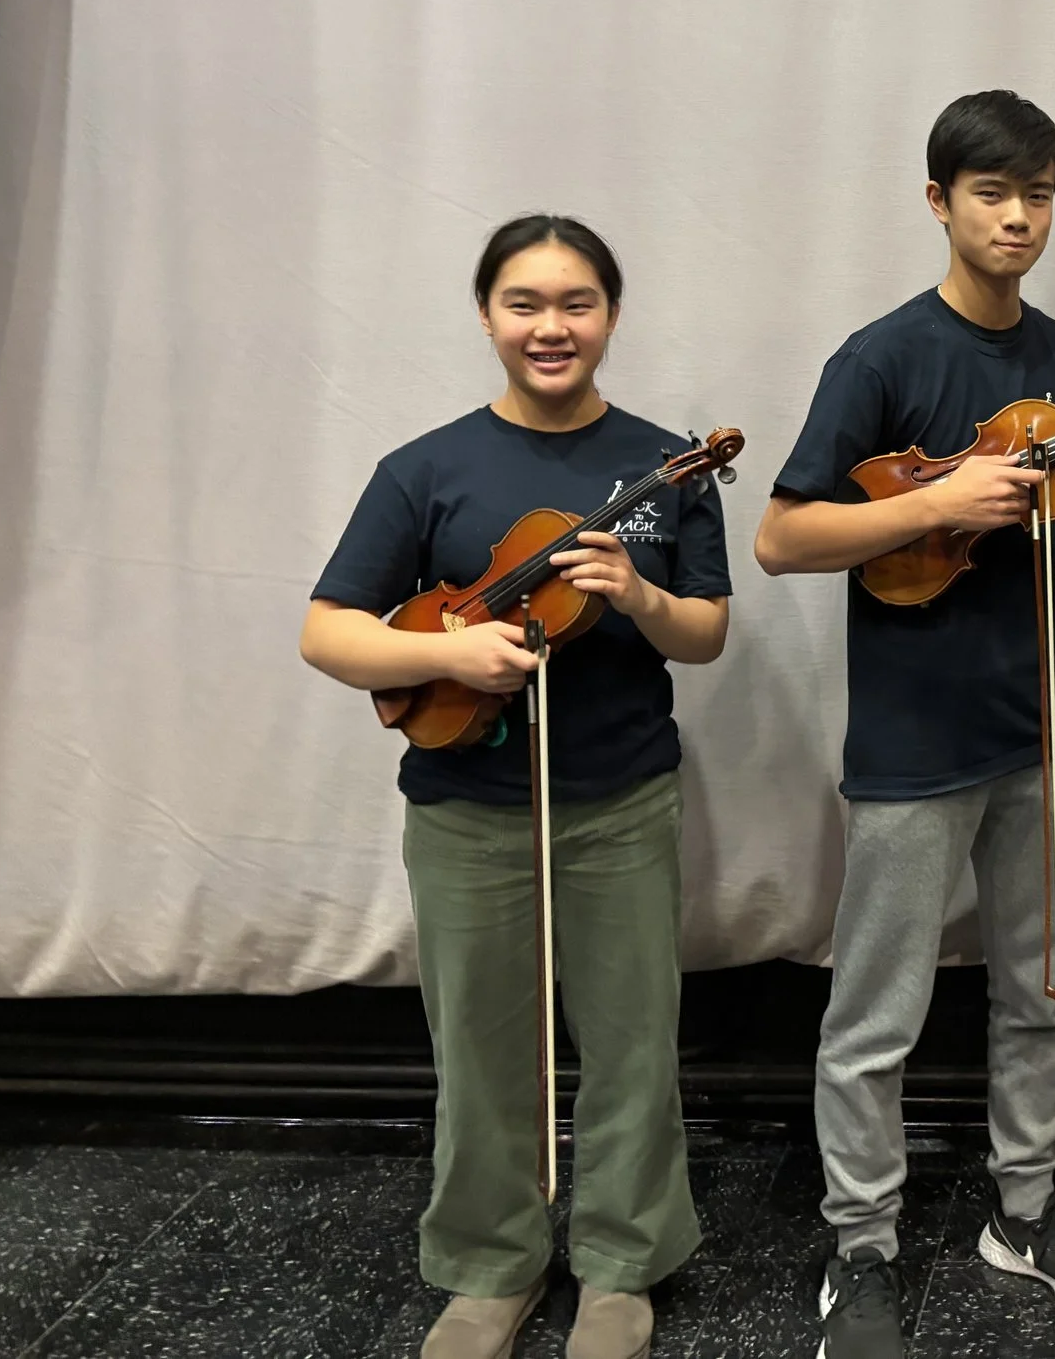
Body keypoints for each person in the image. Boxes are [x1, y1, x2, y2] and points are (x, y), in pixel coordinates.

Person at [300, 213, 733, 1359]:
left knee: (632, 1044)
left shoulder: (664, 467)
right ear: (488, 316)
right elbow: (328, 631)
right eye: (525, 304)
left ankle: (621, 1264)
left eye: (576, 303)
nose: (552, 326)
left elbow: (704, 635)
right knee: (483, 1047)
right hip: (466, 811)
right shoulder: (425, 468)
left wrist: (637, 595)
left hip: (622, 802)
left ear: (612, 315)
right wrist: (449, 650)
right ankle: (490, 1267)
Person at [757, 90, 1055, 1359]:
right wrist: (938, 506)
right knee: (876, 1013)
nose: (1017, 216)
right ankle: (861, 1245)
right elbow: (783, 536)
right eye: (991, 193)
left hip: (1050, 734)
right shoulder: (879, 358)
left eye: (1037, 194)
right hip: (916, 744)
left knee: (1041, 994)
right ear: (939, 202)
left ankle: (1023, 1212)